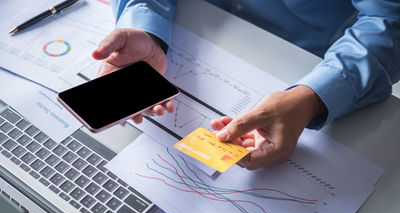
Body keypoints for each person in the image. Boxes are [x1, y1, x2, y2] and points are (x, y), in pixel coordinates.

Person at [92, 0, 400, 170]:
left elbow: (390, 21)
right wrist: (146, 25)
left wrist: (312, 98)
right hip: (196, 31)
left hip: (313, 62)